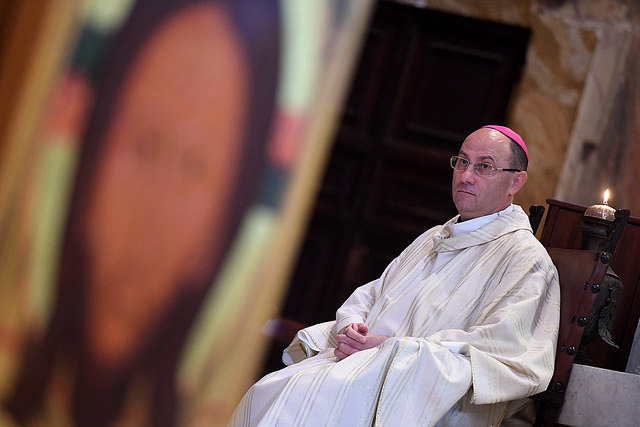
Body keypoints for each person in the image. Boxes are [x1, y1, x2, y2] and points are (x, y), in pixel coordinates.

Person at [230, 125, 560, 426]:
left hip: (419, 394)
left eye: (484, 166)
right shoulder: (435, 237)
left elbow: (500, 354)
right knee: (265, 393)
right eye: (462, 162)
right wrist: (352, 327)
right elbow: (373, 294)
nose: (466, 176)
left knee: (298, 405)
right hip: (362, 368)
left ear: (516, 181)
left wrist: (393, 350)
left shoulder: (525, 259)